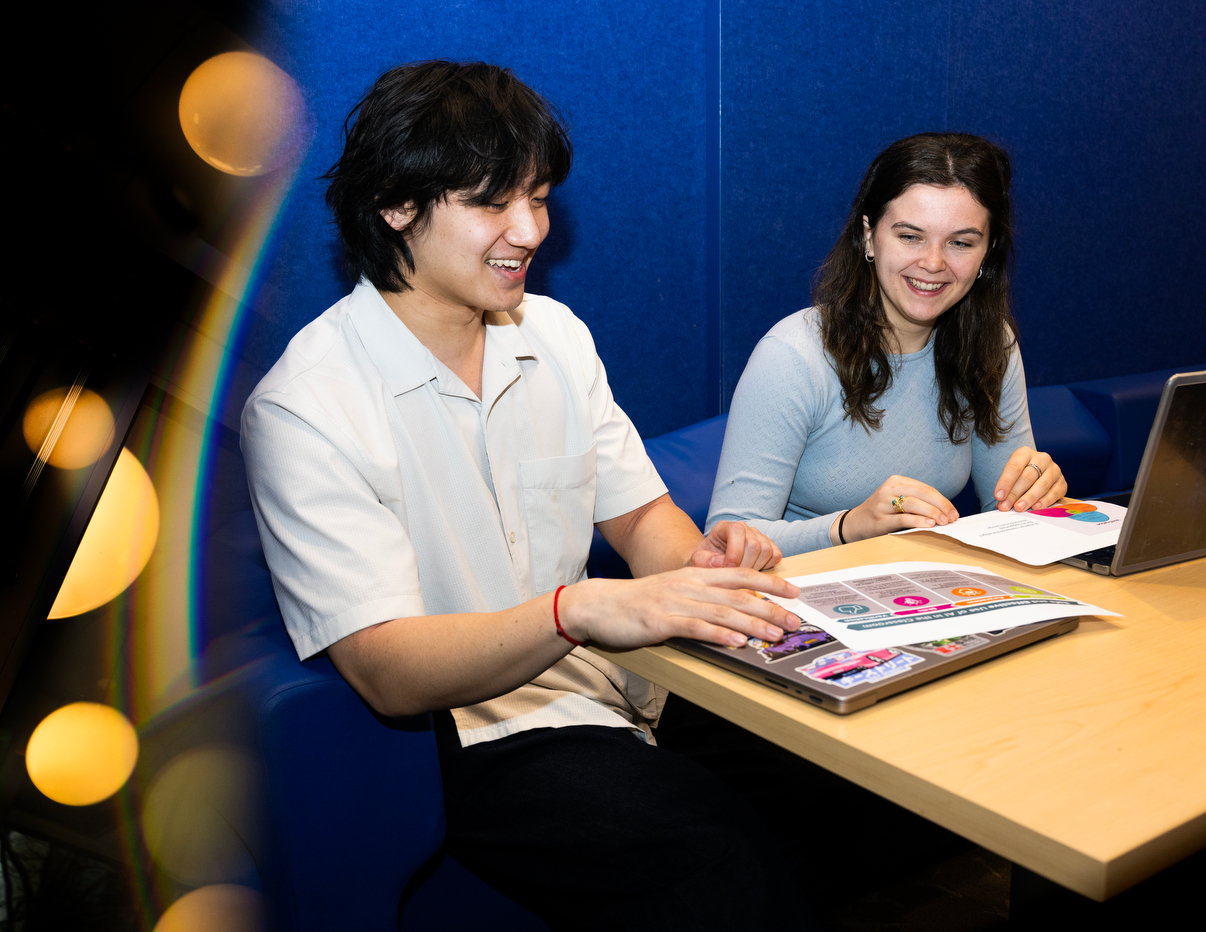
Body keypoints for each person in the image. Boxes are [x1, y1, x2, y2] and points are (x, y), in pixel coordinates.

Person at [240, 61, 813, 930]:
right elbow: (389, 672)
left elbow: (642, 516)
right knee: (713, 860)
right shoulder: (306, 405)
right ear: (396, 203)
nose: (530, 229)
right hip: (475, 735)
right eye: (492, 203)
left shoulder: (554, 334)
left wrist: (704, 563)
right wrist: (574, 610)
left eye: (539, 198)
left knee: (838, 775)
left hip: (630, 687)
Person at [708, 132, 1068, 556]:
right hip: (799, 601)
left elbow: (1003, 511)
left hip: (924, 592)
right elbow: (725, 543)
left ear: (987, 253)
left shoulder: (993, 343)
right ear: (869, 235)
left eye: (961, 243)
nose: (933, 263)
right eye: (910, 236)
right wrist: (847, 527)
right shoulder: (792, 356)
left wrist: (1036, 495)